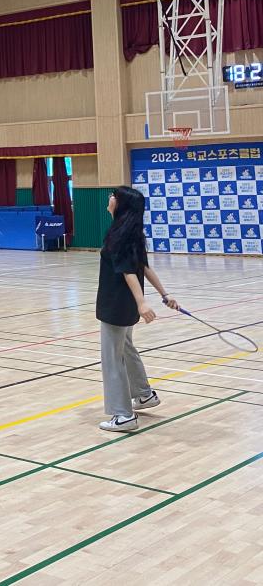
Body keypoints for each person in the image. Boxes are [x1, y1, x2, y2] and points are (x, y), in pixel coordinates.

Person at [98, 185, 178, 433]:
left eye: (114, 196)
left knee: (112, 359)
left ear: (121, 205)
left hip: (115, 304)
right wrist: (164, 294)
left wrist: (143, 302)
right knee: (126, 348)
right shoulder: (131, 233)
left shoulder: (119, 235)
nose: (110, 198)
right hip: (127, 305)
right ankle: (144, 395)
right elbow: (143, 266)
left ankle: (123, 415)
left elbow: (128, 271)